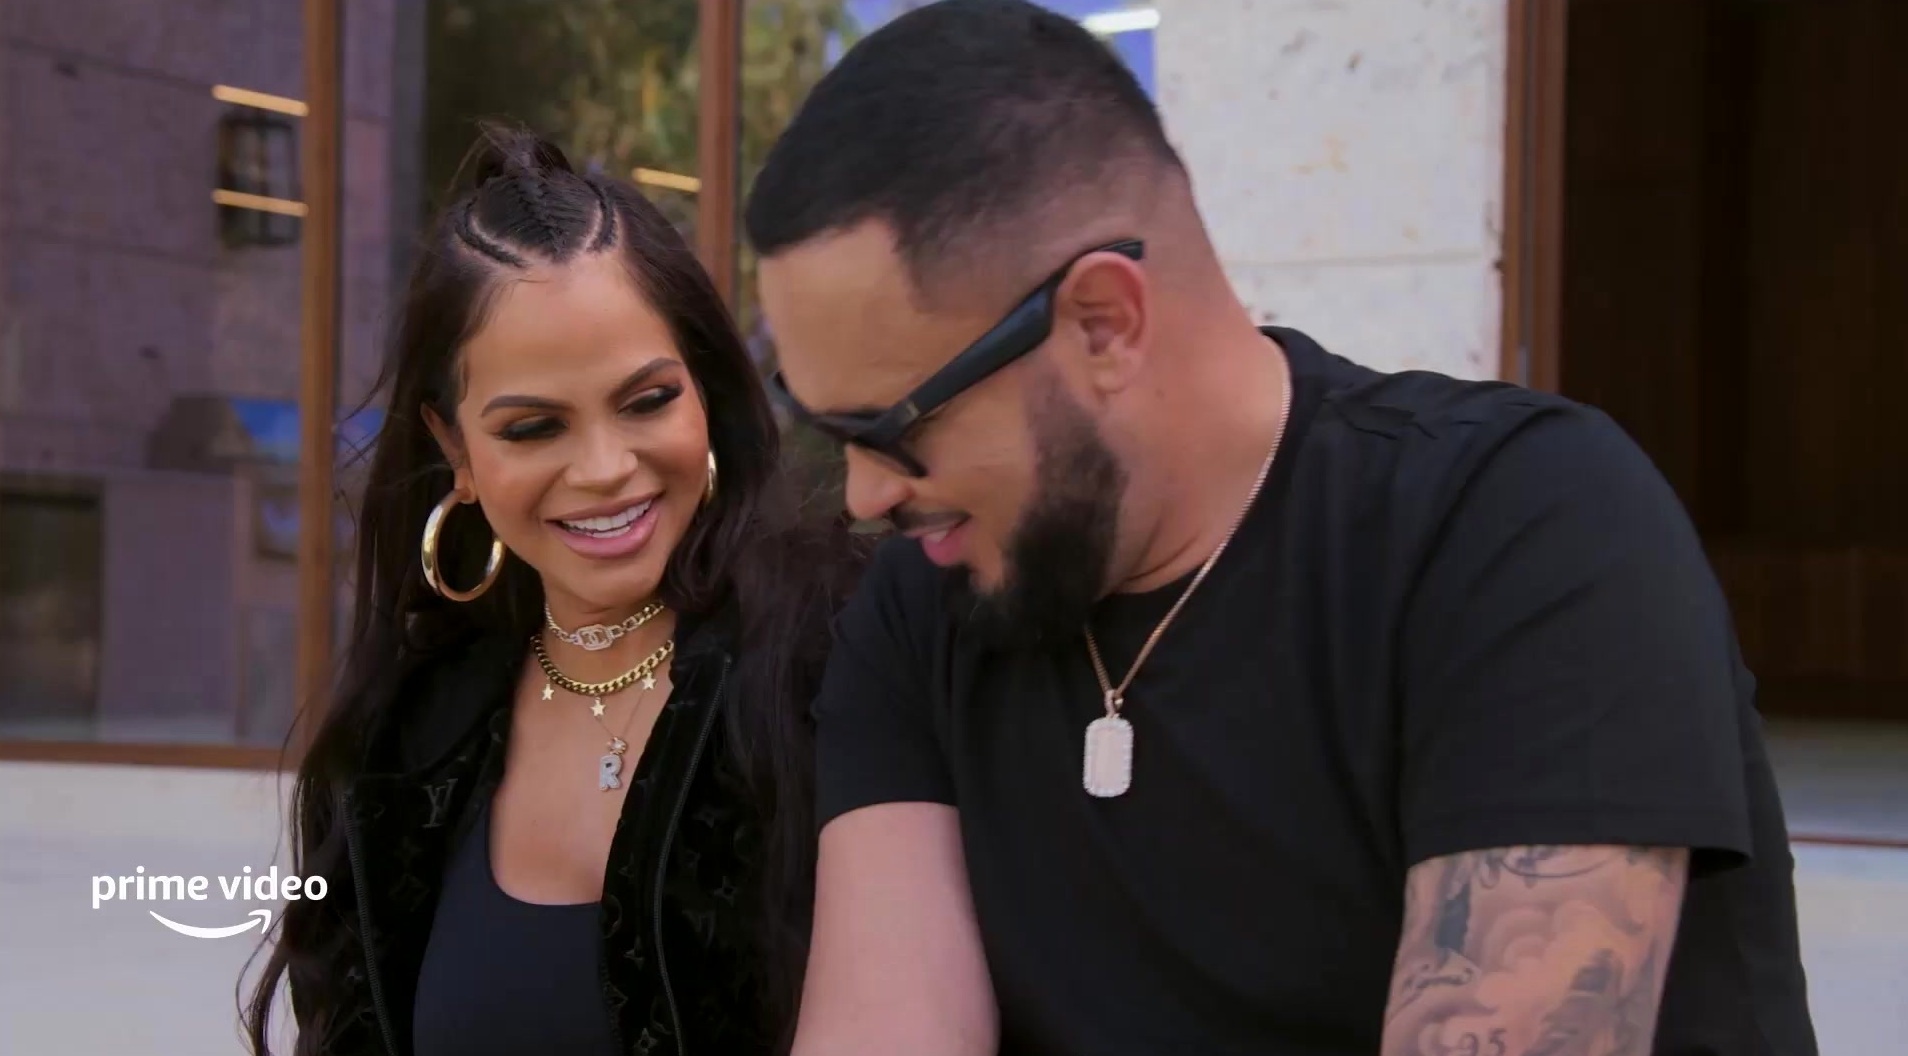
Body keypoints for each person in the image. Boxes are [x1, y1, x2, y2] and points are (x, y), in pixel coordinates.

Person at [741, 2, 1819, 1054]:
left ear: (1104, 324)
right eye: (822, 432)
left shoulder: (1520, 529)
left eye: (889, 430)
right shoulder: (925, 603)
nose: (863, 496)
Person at [243, 124, 863, 1056]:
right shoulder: (401, 738)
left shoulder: (841, 663)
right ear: (455, 450)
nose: (605, 468)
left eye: (647, 400)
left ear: (704, 390)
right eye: (534, 428)